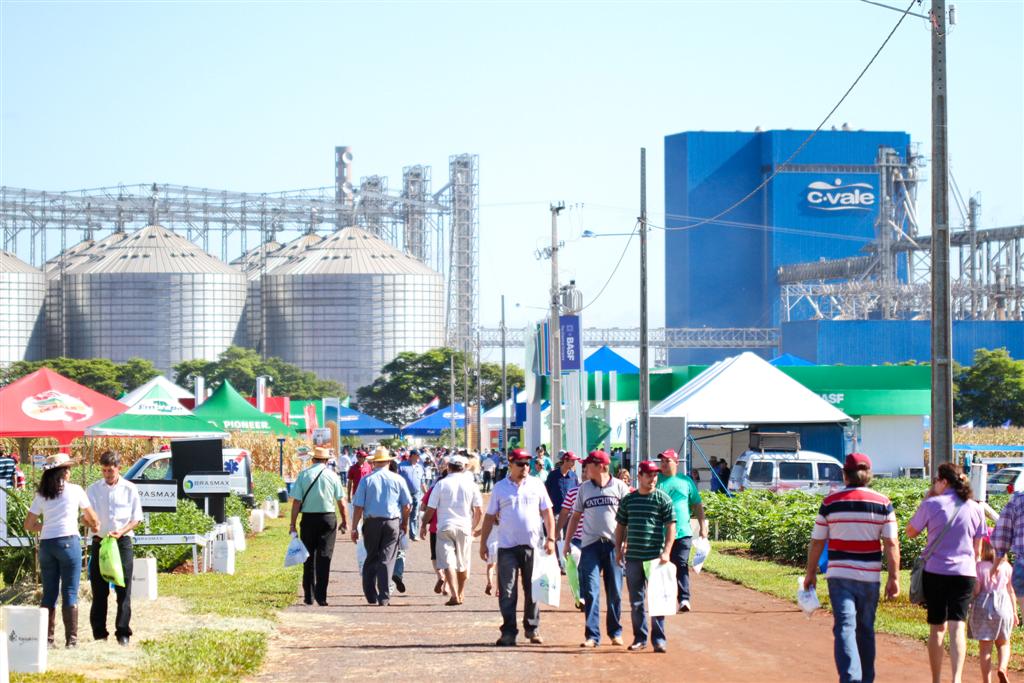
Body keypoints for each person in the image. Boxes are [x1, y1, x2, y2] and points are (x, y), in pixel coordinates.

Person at [805, 452, 900, 683]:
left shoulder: (830, 503)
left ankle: (850, 679)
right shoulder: (883, 503)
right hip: (870, 577)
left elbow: (818, 541)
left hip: (839, 576)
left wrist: (810, 573)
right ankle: (865, 679)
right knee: (865, 628)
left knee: (845, 627)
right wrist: (894, 577)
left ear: (844, 474)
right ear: (868, 474)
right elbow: (891, 542)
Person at [907, 462, 986, 683]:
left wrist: (929, 496)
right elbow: (977, 548)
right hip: (965, 573)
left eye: (936, 481)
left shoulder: (932, 504)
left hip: (936, 572)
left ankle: (936, 679)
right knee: (957, 626)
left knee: (937, 627)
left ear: (943, 481)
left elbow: (911, 531)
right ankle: (957, 679)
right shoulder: (975, 508)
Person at [479, 448, 556, 647]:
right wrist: (483, 543)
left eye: (527, 464)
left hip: (532, 546)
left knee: (532, 590)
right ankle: (508, 631)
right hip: (507, 547)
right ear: (511, 464)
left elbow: (547, 512)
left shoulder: (537, 485)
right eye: (520, 463)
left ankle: (532, 628)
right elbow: (489, 517)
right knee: (507, 590)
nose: (525, 467)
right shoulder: (500, 488)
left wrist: (551, 538)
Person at [23, 453, 100, 649]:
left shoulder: (41, 494)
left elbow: (29, 524)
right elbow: (91, 518)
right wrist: (94, 525)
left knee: (49, 593)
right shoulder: (75, 490)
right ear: (65, 472)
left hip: (47, 545)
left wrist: (47, 527)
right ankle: (71, 641)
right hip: (68, 541)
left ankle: (47, 640)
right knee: (70, 592)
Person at [564, 449, 630, 648]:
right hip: (590, 546)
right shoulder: (584, 489)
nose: (585, 468)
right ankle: (592, 635)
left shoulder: (620, 487)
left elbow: (628, 517)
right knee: (591, 591)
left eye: (589, 465)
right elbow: (575, 516)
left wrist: (625, 542)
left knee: (615, 591)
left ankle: (615, 632)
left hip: (613, 546)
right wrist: (567, 542)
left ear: (601, 466)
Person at [614, 460, 675, 654]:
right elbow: (620, 526)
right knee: (636, 601)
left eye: (655, 475)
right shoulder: (629, 500)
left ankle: (659, 640)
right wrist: (618, 549)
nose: (653, 479)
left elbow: (671, 526)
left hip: (655, 559)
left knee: (657, 600)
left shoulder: (662, 499)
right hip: (633, 558)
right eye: (648, 475)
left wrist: (666, 551)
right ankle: (640, 638)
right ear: (639, 476)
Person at [86, 450, 143, 646]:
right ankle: (99, 633)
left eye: (110, 470)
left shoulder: (130, 488)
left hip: (122, 541)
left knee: (123, 588)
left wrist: (122, 531)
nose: (107, 474)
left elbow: (136, 518)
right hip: (100, 542)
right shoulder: (93, 489)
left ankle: (123, 631)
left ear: (119, 468)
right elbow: (88, 516)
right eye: (104, 470)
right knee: (99, 589)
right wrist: (93, 525)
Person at [351, 447, 411, 607]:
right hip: (392, 522)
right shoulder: (398, 479)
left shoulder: (366, 480)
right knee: (387, 559)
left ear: (374, 463)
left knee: (371, 557)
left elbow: (358, 506)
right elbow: (407, 505)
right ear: (389, 462)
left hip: (371, 522)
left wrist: (354, 527)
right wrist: (405, 523)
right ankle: (384, 597)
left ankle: (371, 595)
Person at [420, 455, 483, 605]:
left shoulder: (441, 484)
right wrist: (473, 527)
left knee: (448, 562)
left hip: (444, 527)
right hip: (464, 527)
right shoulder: (472, 485)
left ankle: (454, 594)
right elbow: (479, 510)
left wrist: (423, 524)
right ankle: (460, 592)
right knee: (462, 564)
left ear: (449, 467)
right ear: (464, 468)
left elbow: (430, 509)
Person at [289, 447, 348, 606]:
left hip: (308, 519)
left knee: (308, 557)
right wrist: (345, 521)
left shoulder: (304, 475)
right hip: (327, 518)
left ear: (312, 459)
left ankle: (309, 595)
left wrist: (292, 524)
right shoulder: (333, 476)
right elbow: (341, 502)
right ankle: (322, 596)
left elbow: (296, 502)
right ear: (327, 461)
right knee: (324, 557)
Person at [656, 449, 707, 612]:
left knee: (681, 563)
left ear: (676, 463)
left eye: (667, 461)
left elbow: (697, 504)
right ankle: (665, 596)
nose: (663, 464)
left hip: (683, 531)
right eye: (662, 461)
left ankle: (684, 598)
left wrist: (702, 526)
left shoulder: (686, 481)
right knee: (662, 565)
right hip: (659, 533)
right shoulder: (655, 480)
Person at [970, 535, 1017, 683]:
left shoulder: (979, 567)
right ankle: (1002, 668)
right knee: (1004, 642)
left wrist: (969, 597)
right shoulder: (1008, 568)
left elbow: (976, 590)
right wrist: (1015, 613)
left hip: (984, 608)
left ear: (984, 548)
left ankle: (986, 681)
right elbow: (1011, 591)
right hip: (1004, 607)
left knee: (985, 649)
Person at [422, 460, 450, 595]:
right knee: (450, 557)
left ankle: (440, 576)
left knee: (435, 556)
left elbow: (424, 506)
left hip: (435, 527)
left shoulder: (435, 487)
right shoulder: (461, 487)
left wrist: (423, 523)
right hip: (454, 526)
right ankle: (448, 587)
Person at [399, 450, 427, 540]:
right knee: (402, 513)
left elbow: (423, 482)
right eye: (417, 455)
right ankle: (399, 533)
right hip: (404, 493)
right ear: (412, 456)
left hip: (416, 493)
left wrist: (426, 494)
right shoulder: (402, 466)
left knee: (415, 514)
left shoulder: (420, 467)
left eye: (419, 455)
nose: (419, 457)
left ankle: (413, 534)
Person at [545, 451, 579, 519]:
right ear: (565, 461)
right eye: (572, 461)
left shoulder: (574, 476)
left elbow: (576, 494)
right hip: (555, 513)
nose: (574, 463)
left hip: (570, 514)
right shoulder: (553, 475)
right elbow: (546, 492)